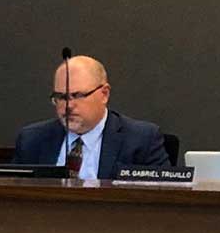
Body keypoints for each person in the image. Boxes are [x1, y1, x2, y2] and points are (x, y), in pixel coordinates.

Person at [12, 54, 169, 178]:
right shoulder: (32, 140)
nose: (68, 106)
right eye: (61, 97)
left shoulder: (141, 140)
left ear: (104, 94)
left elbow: (162, 203)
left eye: (78, 95)